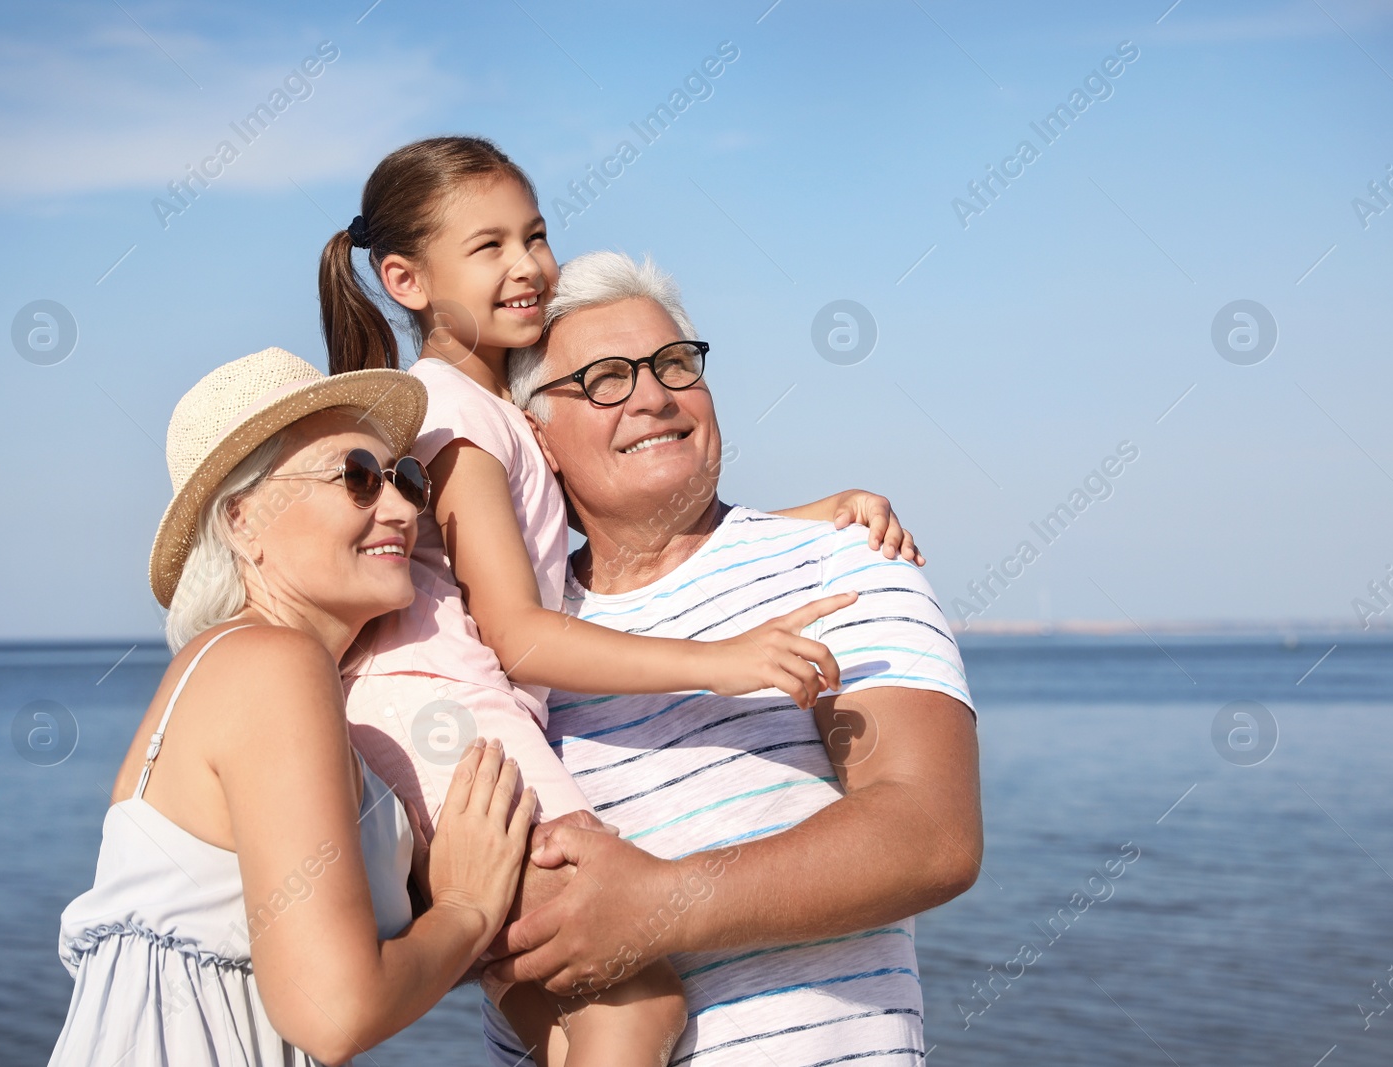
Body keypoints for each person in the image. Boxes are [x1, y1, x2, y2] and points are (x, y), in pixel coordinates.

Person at [318, 135, 922, 1065]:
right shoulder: (458, 422)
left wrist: (815, 515)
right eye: (488, 248)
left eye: (535, 234)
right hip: (452, 712)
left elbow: (611, 512)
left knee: (561, 1013)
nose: (527, 266)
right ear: (404, 279)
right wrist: (719, 665)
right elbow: (519, 632)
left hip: (431, 710)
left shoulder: (486, 412)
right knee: (633, 1005)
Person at [479, 251, 983, 1064]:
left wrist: (661, 902)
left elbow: (931, 834)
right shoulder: (507, 642)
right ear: (536, 433)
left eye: (675, 364)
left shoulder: (840, 562)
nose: (653, 395)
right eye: (607, 377)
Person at [50, 347, 535, 1066]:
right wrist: (466, 911)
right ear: (243, 519)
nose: (402, 508)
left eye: (404, 478)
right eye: (358, 479)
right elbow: (331, 1010)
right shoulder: (274, 665)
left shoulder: (240, 669)